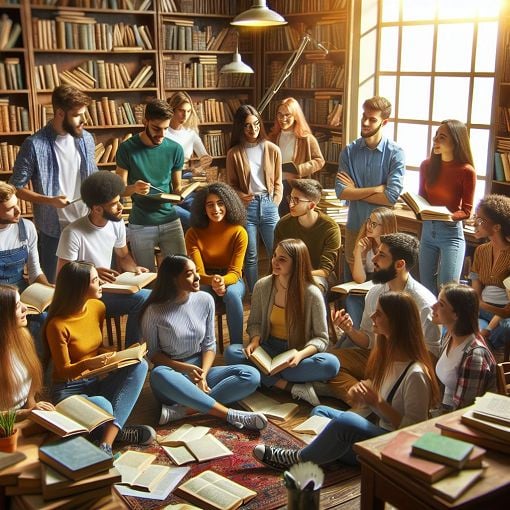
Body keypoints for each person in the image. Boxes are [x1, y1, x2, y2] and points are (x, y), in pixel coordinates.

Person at [253, 292, 439, 469]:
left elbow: (416, 432)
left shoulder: (416, 374)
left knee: (346, 422)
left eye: (379, 313)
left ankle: (298, 458)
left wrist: (378, 403)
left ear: (396, 323)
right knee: (320, 411)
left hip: (394, 446)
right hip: (377, 431)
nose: (373, 316)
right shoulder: (388, 359)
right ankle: (330, 452)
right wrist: (364, 396)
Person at [140, 255, 266, 430]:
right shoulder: (153, 310)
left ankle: (184, 411)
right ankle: (228, 414)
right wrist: (186, 369)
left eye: (196, 272)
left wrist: (203, 376)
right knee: (158, 375)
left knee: (251, 375)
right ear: (173, 279)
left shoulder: (205, 299)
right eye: (190, 274)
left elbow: (209, 344)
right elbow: (153, 354)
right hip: (173, 375)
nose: (198, 277)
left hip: (201, 370)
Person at [44, 261, 154, 456]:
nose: (101, 283)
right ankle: (114, 434)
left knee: (140, 366)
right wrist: (88, 363)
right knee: (103, 405)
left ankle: (104, 442)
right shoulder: (57, 325)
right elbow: (63, 371)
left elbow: (94, 347)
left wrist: (116, 354)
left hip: (95, 380)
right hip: (69, 390)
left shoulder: (97, 307)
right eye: (96, 280)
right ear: (80, 289)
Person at [322, 233, 440, 405]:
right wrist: (349, 330)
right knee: (328, 364)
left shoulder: (424, 303)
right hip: (374, 358)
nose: (374, 259)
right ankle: (366, 402)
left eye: (382, 255)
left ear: (400, 264)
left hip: (403, 369)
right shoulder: (375, 292)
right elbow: (369, 340)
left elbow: (430, 358)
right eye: (377, 253)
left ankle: (371, 402)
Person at [225, 239, 340, 407]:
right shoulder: (262, 286)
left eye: (282, 259)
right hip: (269, 349)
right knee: (231, 352)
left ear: (297, 263)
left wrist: (300, 355)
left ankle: (267, 379)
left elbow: (322, 339)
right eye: (274, 256)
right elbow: (254, 323)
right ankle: (290, 387)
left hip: (297, 354)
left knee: (331, 364)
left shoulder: (312, 293)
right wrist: (255, 341)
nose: (275, 262)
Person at [10, 85, 97, 282]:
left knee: (89, 286)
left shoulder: (87, 139)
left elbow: (93, 176)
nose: (84, 120)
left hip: (87, 224)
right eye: (77, 115)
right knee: (56, 290)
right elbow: (16, 187)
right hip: (53, 231)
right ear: (59, 113)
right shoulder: (34, 144)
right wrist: (49, 200)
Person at [56, 171, 150, 347]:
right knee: (143, 299)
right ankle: (132, 354)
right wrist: (91, 273)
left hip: (105, 290)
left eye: (119, 200)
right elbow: (62, 275)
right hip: (82, 297)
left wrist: (134, 268)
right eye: (114, 204)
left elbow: (123, 256)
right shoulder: (72, 233)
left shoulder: (117, 223)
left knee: (147, 297)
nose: (121, 207)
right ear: (97, 208)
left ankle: (132, 353)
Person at [335, 96, 405, 280]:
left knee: (382, 282)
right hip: (354, 224)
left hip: (384, 231)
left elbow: (390, 197)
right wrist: (377, 189)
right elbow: (342, 192)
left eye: (372, 119)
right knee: (350, 282)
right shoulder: (349, 152)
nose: (365, 122)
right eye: (364, 116)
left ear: (385, 122)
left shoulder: (395, 153)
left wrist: (356, 192)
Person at [116, 99, 186, 271]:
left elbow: (177, 187)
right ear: (144, 122)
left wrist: (180, 194)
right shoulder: (126, 149)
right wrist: (134, 188)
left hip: (170, 220)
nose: (161, 135)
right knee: (146, 276)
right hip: (141, 224)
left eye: (165, 129)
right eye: (156, 129)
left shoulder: (175, 149)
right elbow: (119, 190)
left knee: (181, 273)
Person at [226, 104, 282, 292]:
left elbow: (278, 182)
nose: (253, 129)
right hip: (246, 207)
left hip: (268, 204)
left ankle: (277, 289)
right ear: (240, 127)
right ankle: (254, 293)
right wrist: (241, 195)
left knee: (278, 251)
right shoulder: (234, 153)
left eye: (256, 124)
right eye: (248, 126)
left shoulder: (272, 149)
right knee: (250, 255)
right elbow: (231, 185)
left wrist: (274, 203)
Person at [418, 120, 476, 295]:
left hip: (451, 233)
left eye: (442, 137)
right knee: (425, 290)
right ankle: (429, 324)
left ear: (456, 141)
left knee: (447, 291)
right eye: (436, 135)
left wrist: (448, 216)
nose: (435, 139)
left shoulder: (466, 171)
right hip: (427, 231)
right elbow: (421, 199)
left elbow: (466, 210)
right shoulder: (427, 165)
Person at [185, 182, 247, 344]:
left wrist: (221, 281)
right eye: (210, 205)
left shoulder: (239, 232)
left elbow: (235, 272)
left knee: (233, 294)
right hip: (204, 278)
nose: (216, 209)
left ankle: (236, 346)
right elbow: (198, 273)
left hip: (232, 278)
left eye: (220, 203)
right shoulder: (193, 234)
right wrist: (212, 281)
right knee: (199, 296)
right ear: (203, 209)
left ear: (229, 205)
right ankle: (202, 347)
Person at [0, 182, 53, 355]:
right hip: (4, 297)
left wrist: (49, 289)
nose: (18, 211)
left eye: (17, 204)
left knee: (44, 318)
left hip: (20, 290)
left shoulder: (27, 228)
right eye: (10, 208)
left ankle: (37, 370)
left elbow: (35, 271)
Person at [432, 284, 496, 412]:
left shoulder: (474, 356)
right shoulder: (449, 337)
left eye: (441, 304)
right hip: (445, 412)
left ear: (457, 314)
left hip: (462, 422)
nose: (433, 306)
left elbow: (464, 410)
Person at [273, 179, 340, 293]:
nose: (290, 204)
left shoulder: (330, 228)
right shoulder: (283, 224)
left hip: (319, 276)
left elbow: (325, 271)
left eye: (296, 200)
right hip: (287, 273)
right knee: (264, 285)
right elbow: (276, 258)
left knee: (313, 288)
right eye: (290, 198)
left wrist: (296, 276)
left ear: (311, 205)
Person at [0, 284, 54, 418]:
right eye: (18, 306)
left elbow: (30, 395)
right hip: (6, 425)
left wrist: (34, 412)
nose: (25, 308)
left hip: (25, 414)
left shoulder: (24, 336)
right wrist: (28, 414)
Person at [269, 97, 325, 216]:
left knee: (294, 221)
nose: (283, 119)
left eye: (287, 115)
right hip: (275, 188)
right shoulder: (272, 137)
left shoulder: (306, 139)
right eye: (280, 115)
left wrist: (299, 169)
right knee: (278, 224)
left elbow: (319, 161)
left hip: (295, 187)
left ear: (295, 116)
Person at [165, 91, 213, 230]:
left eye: (188, 111)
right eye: (181, 111)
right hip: (167, 180)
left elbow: (206, 158)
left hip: (186, 179)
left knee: (203, 214)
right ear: (172, 110)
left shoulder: (190, 133)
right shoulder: (163, 132)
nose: (185, 116)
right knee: (190, 219)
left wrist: (198, 168)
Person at [470, 194, 510, 351]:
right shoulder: (481, 250)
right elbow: (475, 287)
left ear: (497, 227)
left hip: (503, 312)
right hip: (482, 308)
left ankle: (484, 349)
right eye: (476, 217)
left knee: (507, 327)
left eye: (481, 220)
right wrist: (476, 304)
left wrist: (482, 305)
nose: (475, 223)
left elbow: (508, 310)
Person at [346, 206, 397, 328]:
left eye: (374, 224)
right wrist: (358, 252)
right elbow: (359, 279)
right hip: (368, 286)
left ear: (385, 227)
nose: (369, 226)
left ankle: (360, 338)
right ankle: (357, 334)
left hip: (386, 289)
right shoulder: (365, 243)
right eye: (368, 222)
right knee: (351, 299)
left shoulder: (393, 248)